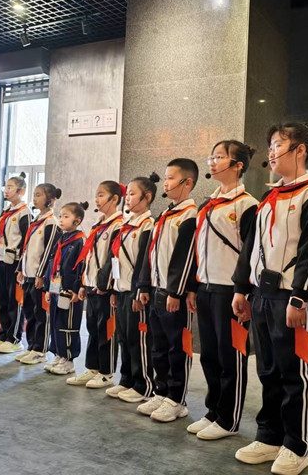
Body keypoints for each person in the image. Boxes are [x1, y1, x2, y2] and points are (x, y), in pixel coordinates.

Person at [232, 122, 308, 475]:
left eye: (278, 145)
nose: (271, 152)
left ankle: (297, 445)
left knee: (295, 373)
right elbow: (250, 248)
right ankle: (269, 436)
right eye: (270, 145)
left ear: (300, 150)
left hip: (291, 299)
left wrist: (300, 298)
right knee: (267, 370)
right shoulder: (269, 197)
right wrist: (241, 288)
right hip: (261, 296)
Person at [184, 140, 258, 440]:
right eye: (211, 157)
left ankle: (229, 418)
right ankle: (213, 411)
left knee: (231, 357)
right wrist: (192, 287)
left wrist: (245, 291)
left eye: (219, 157)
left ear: (238, 165)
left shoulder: (248, 205)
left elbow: (250, 254)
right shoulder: (207, 205)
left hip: (231, 292)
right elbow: (197, 250)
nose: (212, 162)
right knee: (210, 355)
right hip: (205, 288)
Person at [136, 158, 198, 423]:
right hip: (156, 290)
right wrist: (145, 285)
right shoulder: (164, 215)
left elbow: (185, 258)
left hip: (174, 295)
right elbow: (150, 254)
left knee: (177, 348)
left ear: (188, 182)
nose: (167, 183)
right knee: (158, 346)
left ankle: (176, 399)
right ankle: (161, 391)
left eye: (172, 178)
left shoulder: (189, 215)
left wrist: (176, 292)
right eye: (166, 177)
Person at [106, 174, 159, 403]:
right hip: (121, 289)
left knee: (139, 340)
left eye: (132, 194)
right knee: (124, 337)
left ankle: (143, 385)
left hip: (136, 292)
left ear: (147, 197)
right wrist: (114, 289)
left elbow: (143, 262)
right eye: (127, 194)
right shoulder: (125, 225)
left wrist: (140, 291)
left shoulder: (148, 225)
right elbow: (116, 259)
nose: (127, 198)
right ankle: (126, 379)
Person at [67, 181, 124, 388]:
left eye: (101, 195)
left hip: (105, 287)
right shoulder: (98, 225)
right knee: (92, 327)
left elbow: (113, 258)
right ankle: (93, 368)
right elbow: (88, 256)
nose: (96, 200)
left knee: (106, 330)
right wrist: (83, 283)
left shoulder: (118, 225)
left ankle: (106, 373)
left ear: (114, 199)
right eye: (96, 195)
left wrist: (105, 285)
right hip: (91, 284)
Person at [15, 183, 61, 365]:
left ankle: (40, 350)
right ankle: (31, 346)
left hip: (38, 277)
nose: (35, 198)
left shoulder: (51, 222)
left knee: (41, 314)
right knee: (30, 312)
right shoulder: (36, 221)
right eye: (34, 194)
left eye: (39, 195)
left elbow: (49, 252)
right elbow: (26, 248)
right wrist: (20, 268)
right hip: (28, 274)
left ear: (50, 200)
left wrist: (41, 275)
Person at [43, 202, 89, 376]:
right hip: (56, 289)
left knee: (67, 325)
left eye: (66, 216)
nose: (61, 219)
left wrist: (77, 289)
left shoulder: (80, 241)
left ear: (77, 221)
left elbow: (81, 267)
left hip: (70, 292)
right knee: (56, 323)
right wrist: (48, 287)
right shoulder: (61, 239)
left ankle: (68, 359)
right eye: (60, 216)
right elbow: (52, 264)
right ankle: (58, 354)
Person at [0, 172, 31, 354]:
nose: (6, 190)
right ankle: (3, 335)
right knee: (3, 301)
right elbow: (0, 237)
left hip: (14, 263)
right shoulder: (6, 211)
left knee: (15, 301)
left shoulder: (24, 213)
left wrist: (21, 266)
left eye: (10, 187)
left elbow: (26, 242)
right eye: (5, 187)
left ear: (21, 191)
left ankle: (14, 339)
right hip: (1, 261)